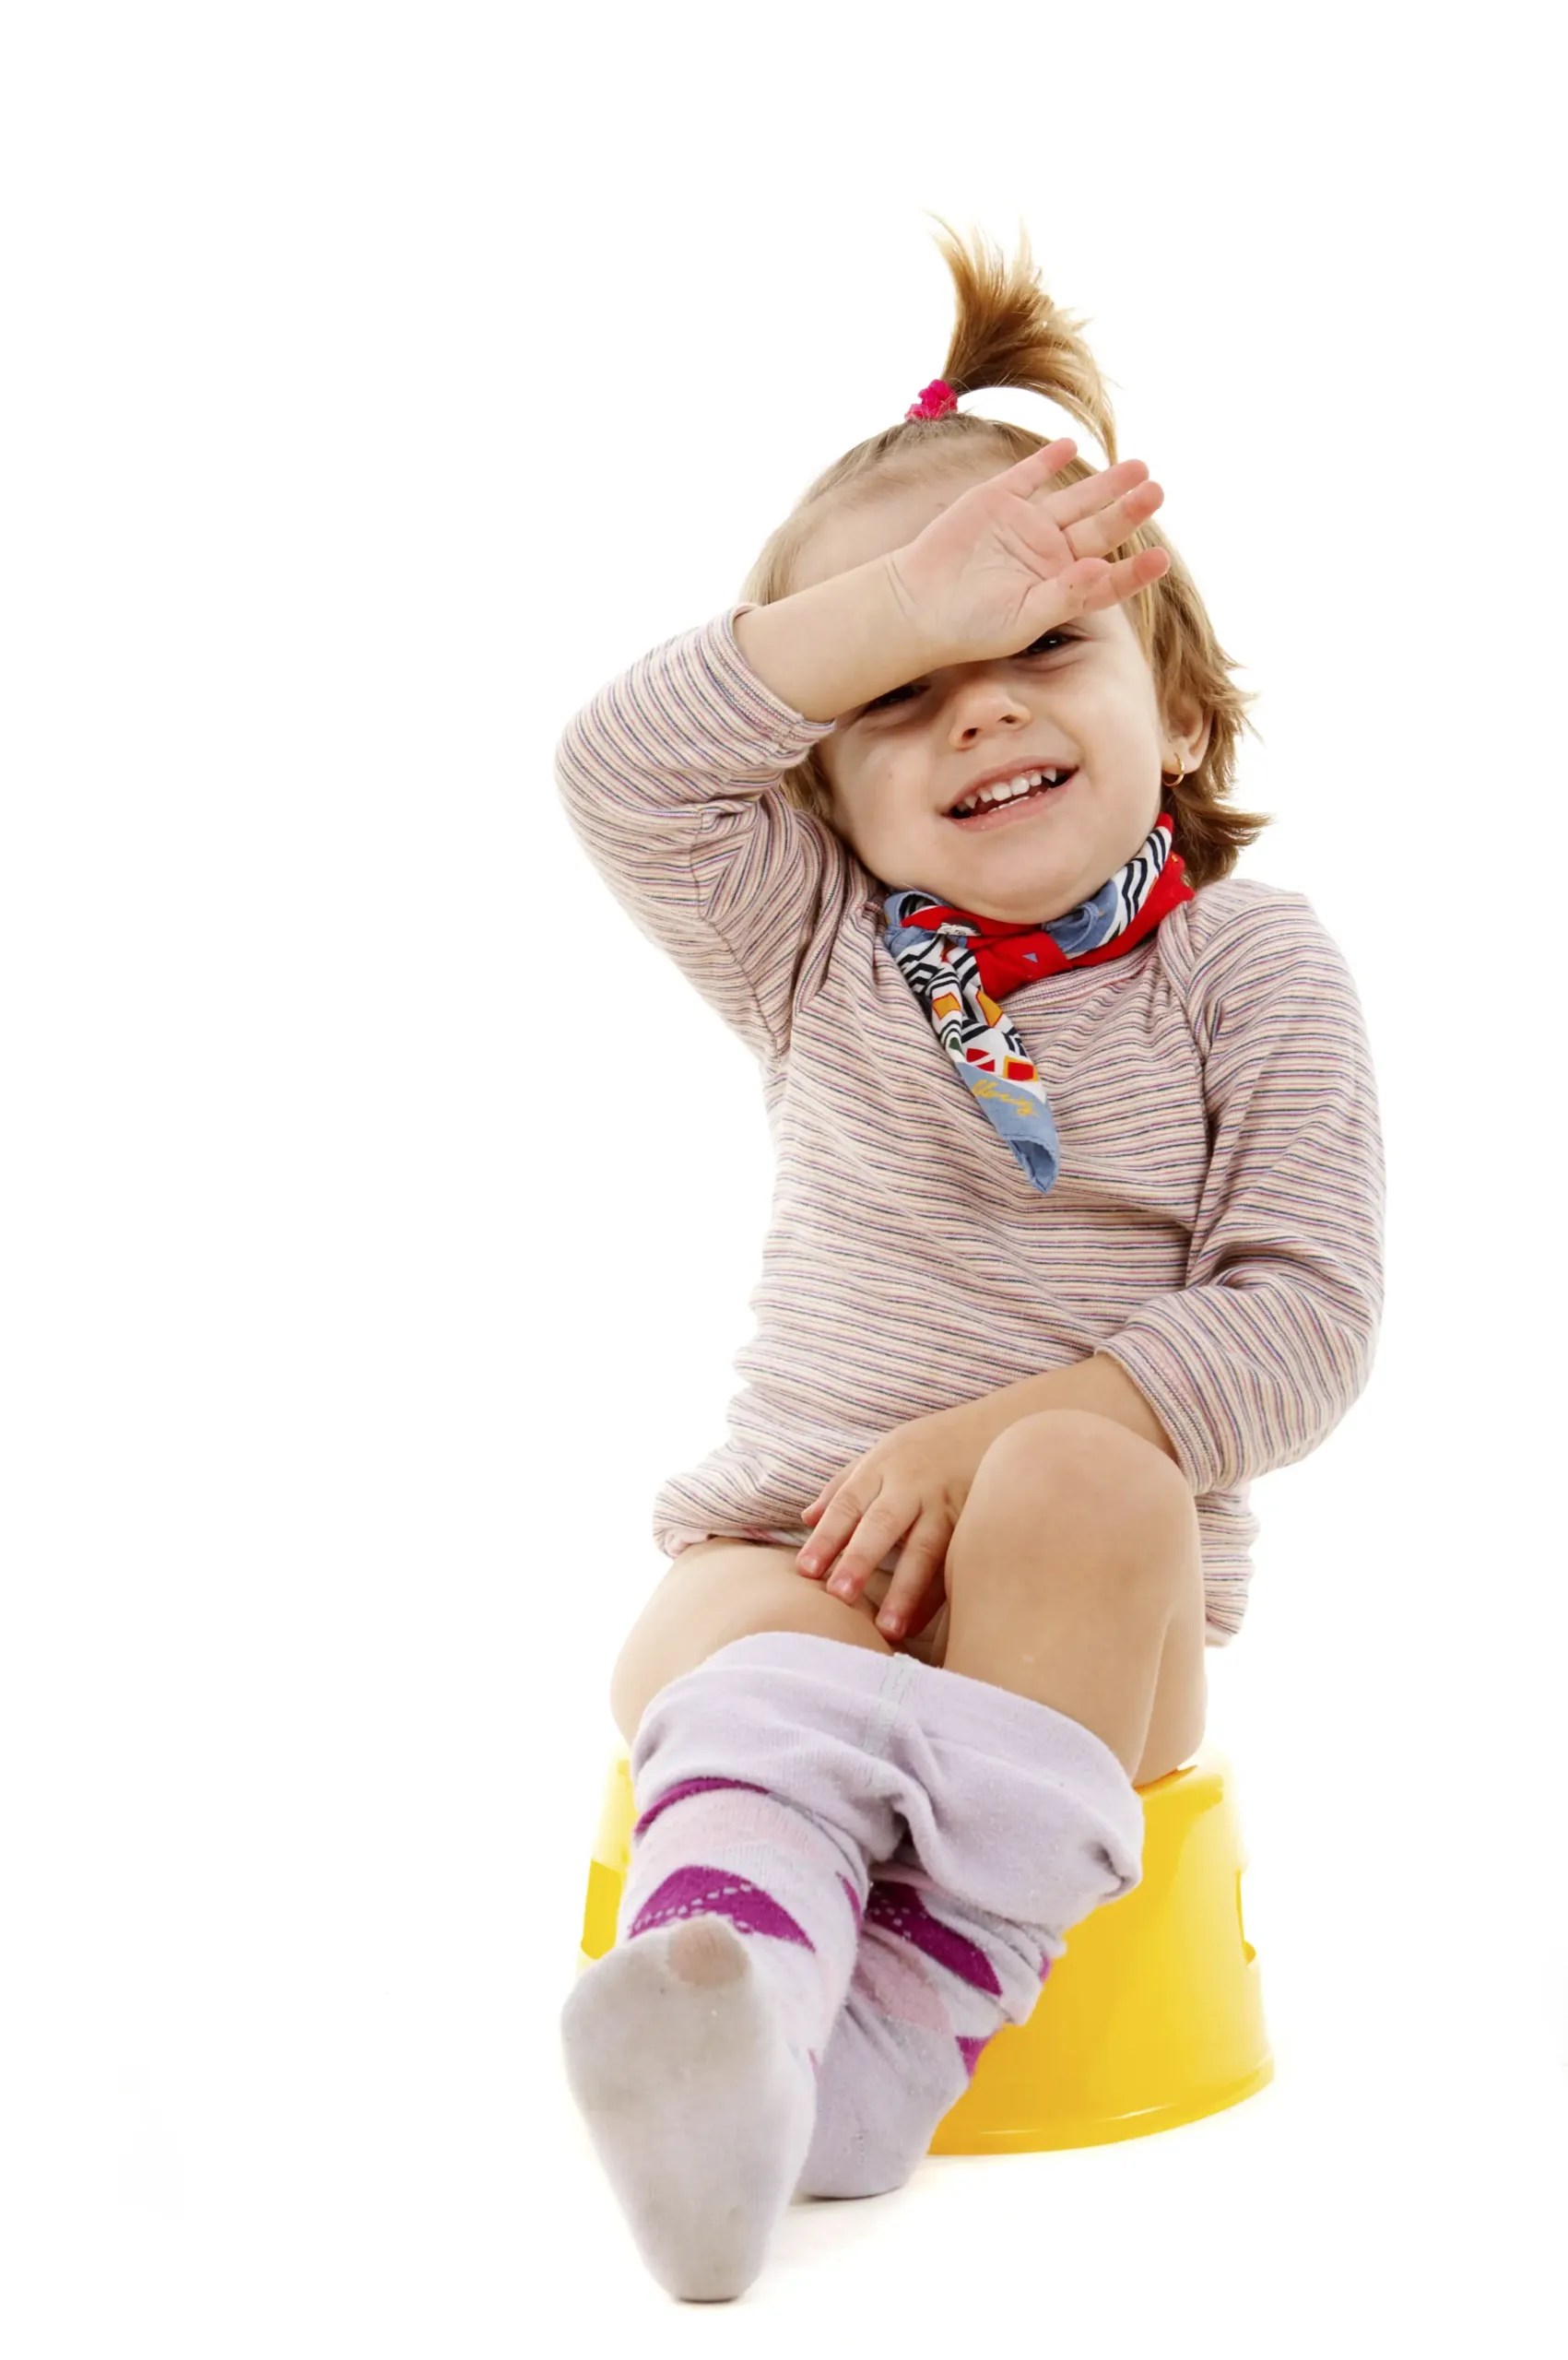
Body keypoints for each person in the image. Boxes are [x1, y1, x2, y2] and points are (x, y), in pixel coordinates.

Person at [553, 216, 1385, 2302]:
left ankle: (900, 2027)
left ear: (1177, 714)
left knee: (1085, 1482)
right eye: (901, 695)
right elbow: (615, 769)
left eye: (1043, 655)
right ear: (825, 793)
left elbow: (1303, 1309)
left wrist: (1007, 1430)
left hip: (1076, 1622)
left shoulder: (1243, 969)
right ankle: (740, 2013)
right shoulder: (820, 947)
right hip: (808, 1552)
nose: (975, 714)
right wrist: (885, 602)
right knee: (717, 1643)